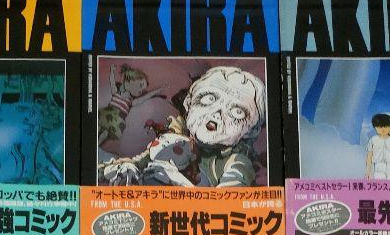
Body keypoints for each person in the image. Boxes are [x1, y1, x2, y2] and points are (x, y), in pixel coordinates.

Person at [98, 64, 266, 187]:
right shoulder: (173, 139)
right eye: (209, 99)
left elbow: (229, 208)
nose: (217, 113)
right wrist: (125, 168)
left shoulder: (236, 163)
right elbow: (136, 163)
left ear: (251, 130)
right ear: (189, 103)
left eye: (237, 112)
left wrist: (180, 183)